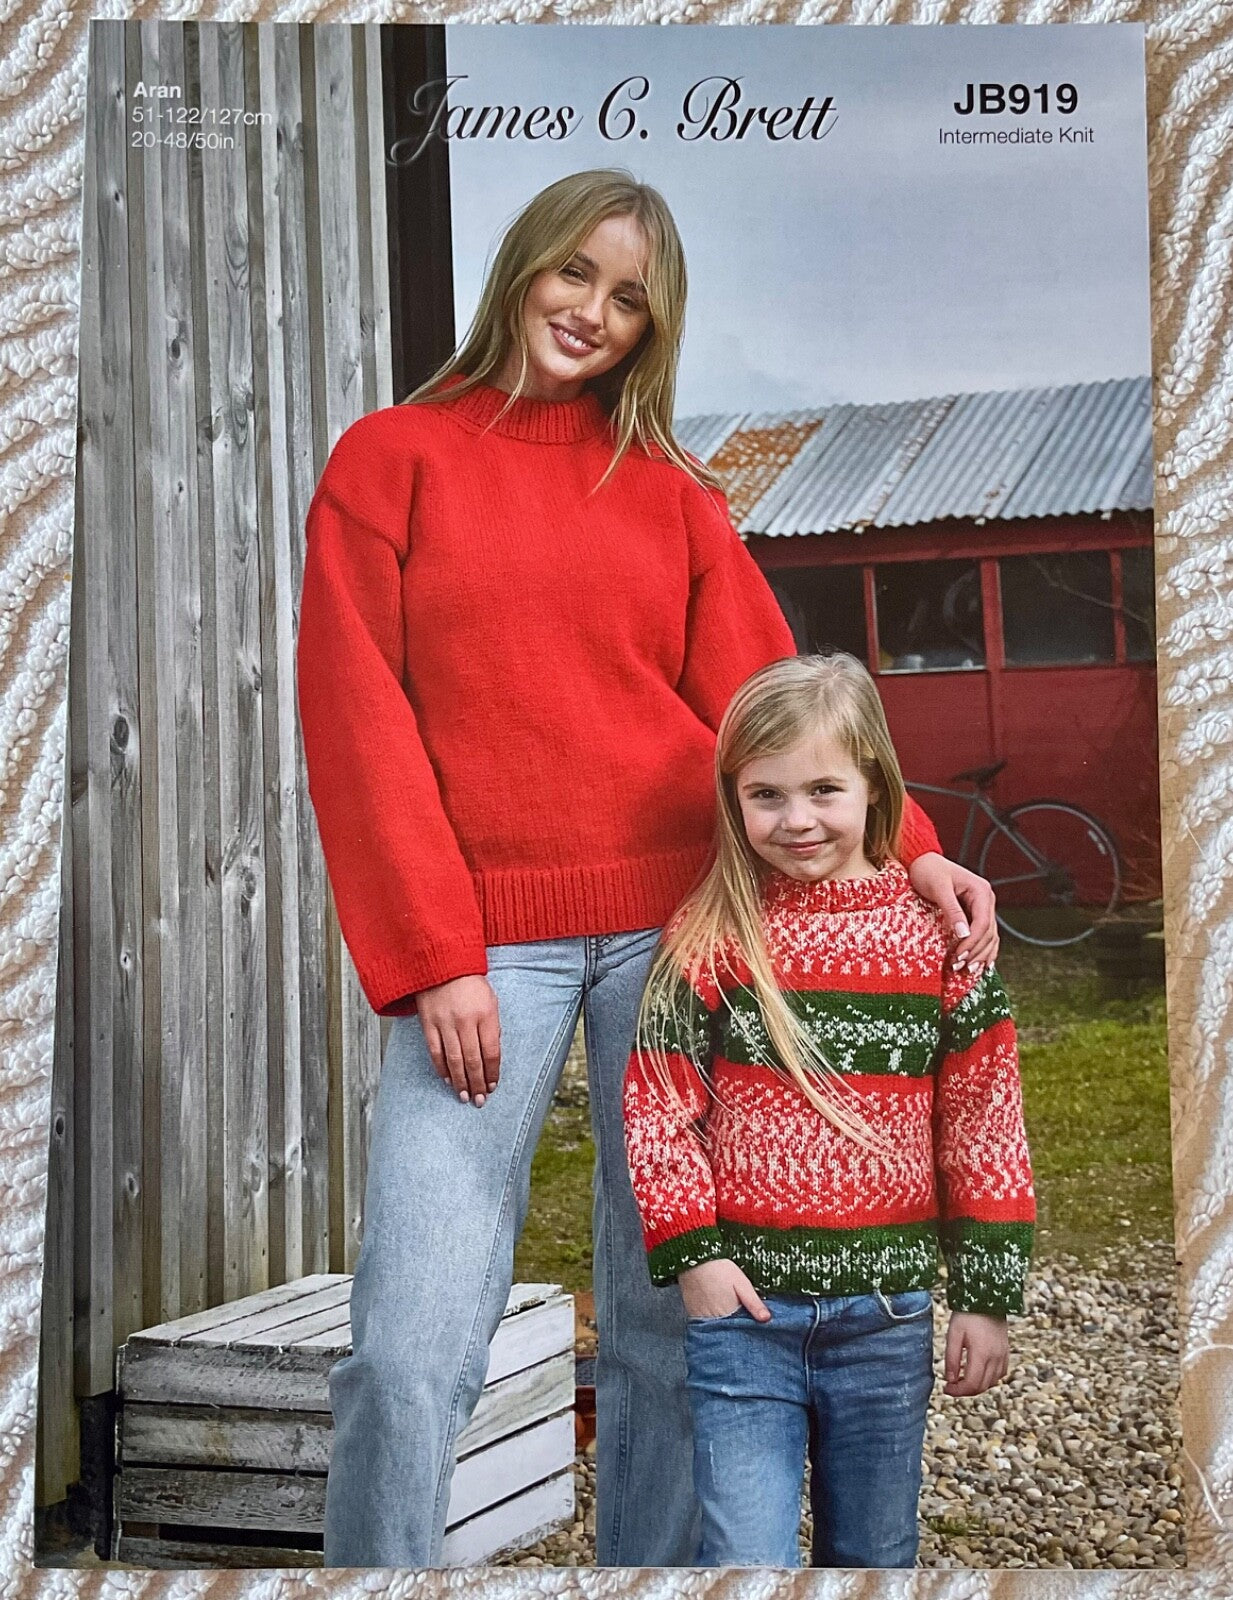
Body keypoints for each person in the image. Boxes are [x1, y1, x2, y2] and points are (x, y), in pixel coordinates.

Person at [295, 168, 1000, 1569]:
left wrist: (909, 849)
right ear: (524, 267)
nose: (593, 313)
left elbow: (775, 703)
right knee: (409, 1338)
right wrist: (433, 954)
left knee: (678, 1318)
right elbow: (354, 716)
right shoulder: (391, 458)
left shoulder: (672, 495)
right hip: (481, 944)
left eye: (630, 300)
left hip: (684, 928)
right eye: (576, 273)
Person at [622, 652, 1036, 1569]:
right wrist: (695, 1258)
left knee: (873, 1554)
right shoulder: (708, 937)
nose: (797, 819)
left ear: (874, 784)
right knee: (745, 1556)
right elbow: (657, 1107)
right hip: (745, 1319)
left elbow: (985, 1127)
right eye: (765, 795)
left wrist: (985, 1297)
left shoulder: (939, 942)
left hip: (883, 1320)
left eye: (822, 790)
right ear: (732, 799)